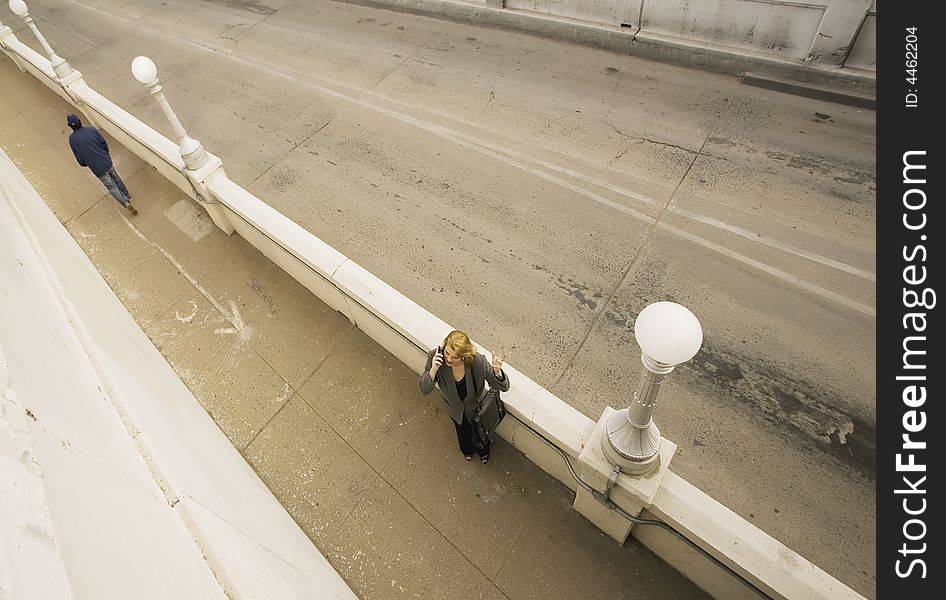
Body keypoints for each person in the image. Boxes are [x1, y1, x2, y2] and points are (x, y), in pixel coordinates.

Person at [419, 330, 509, 463]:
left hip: (477, 409)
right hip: (455, 410)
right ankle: (467, 450)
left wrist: (497, 372)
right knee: (462, 433)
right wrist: (433, 371)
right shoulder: (435, 357)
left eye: (455, 357)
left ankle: (483, 452)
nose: (449, 359)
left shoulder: (478, 362)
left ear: (463, 356)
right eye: (447, 353)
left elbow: (503, 387)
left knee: (481, 432)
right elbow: (424, 389)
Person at [66, 114, 136, 215]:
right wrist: (106, 155)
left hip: (97, 169)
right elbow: (103, 143)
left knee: (111, 187)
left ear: (70, 126)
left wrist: (86, 163)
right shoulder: (91, 130)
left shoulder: (72, 139)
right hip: (106, 161)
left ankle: (125, 202)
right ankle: (126, 194)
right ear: (79, 121)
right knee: (116, 177)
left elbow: (79, 158)